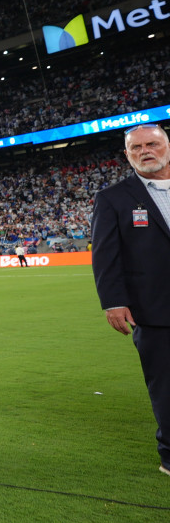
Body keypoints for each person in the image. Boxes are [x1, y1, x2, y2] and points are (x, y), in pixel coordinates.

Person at [91, 124, 170, 477]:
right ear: (127, 155)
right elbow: (106, 256)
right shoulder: (114, 198)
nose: (145, 151)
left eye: (152, 144)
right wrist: (113, 301)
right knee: (166, 385)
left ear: (167, 146)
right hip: (153, 308)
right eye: (136, 148)